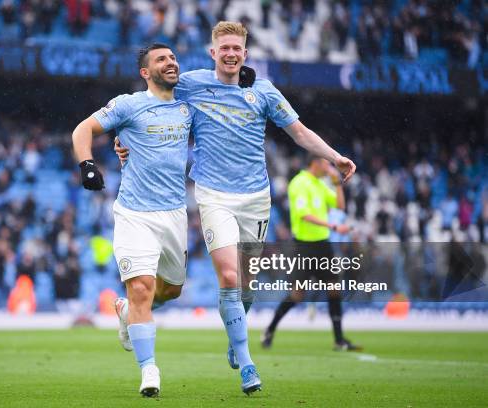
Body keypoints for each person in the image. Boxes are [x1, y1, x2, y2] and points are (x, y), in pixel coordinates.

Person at [116, 21, 356, 395]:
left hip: (256, 198)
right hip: (213, 195)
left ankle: (232, 334)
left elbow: (299, 131)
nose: (230, 54)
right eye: (223, 48)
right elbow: (148, 102)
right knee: (229, 276)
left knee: (246, 286)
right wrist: (123, 138)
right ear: (213, 53)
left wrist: (335, 156)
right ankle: (247, 363)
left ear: (245, 53)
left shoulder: (263, 91)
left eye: (236, 49)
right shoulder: (191, 82)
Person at [71, 43, 193, 398]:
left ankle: (125, 312)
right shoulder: (129, 104)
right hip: (134, 213)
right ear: (145, 72)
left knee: (169, 291)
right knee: (141, 288)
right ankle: (149, 370)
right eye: (161, 59)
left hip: (174, 213)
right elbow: (82, 129)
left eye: (172, 58)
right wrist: (87, 165)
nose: (170, 63)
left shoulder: (189, 106)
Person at [261, 155, 362, 351]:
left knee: (334, 289)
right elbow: (303, 215)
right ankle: (270, 329)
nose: (329, 167)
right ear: (315, 162)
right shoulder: (299, 183)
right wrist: (333, 226)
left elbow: (340, 206)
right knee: (297, 295)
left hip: (322, 245)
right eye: (326, 163)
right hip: (304, 247)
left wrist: (337, 184)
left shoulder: (320, 183)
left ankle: (339, 340)